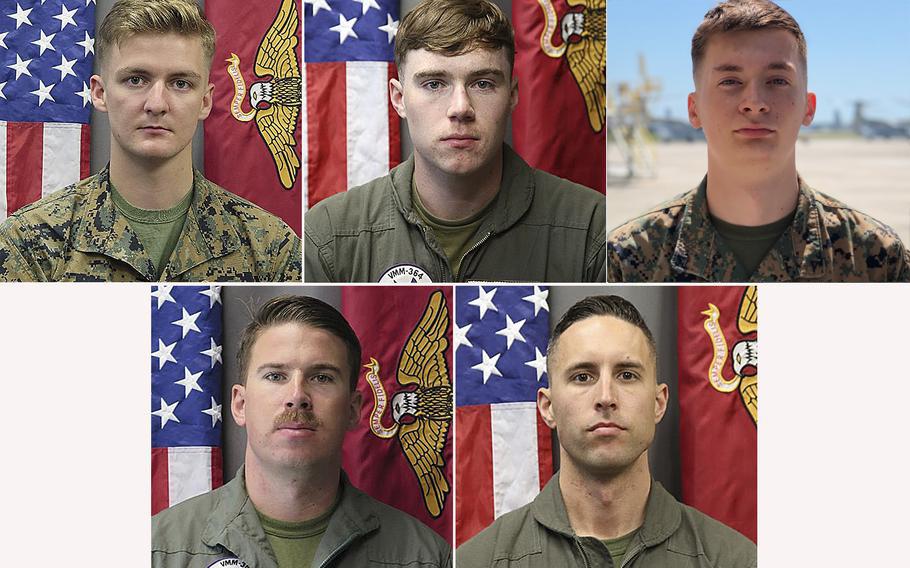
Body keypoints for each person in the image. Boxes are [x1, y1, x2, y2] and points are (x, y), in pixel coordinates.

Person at [608, 0, 910, 282]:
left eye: (777, 81)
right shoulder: (624, 258)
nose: (754, 102)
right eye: (730, 82)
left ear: (809, 107)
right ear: (693, 109)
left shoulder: (879, 258)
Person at [304, 0, 605, 283]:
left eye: (483, 83)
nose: (460, 108)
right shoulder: (330, 235)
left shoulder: (592, 229)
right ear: (399, 99)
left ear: (512, 95)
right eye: (434, 84)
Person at [0, 0, 301, 282]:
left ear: (206, 101)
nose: (157, 104)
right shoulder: (30, 242)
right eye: (136, 80)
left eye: (180, 83)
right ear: (100, 93)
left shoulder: (269, 247)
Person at [152, 295, 451, 568]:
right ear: (240, 404)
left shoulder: (425, 558)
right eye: (275, 375)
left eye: (321, 377)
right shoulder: (159, 551)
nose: (297, 395)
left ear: (352, 409)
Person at [457, 295, 756, 567]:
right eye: (583, 376)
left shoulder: (735, 559)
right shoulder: (478, 561)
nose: (605, 396)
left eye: (627, 375)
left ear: (658, 403)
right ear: (548, 407)